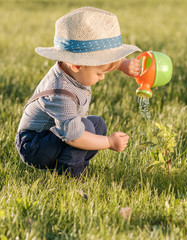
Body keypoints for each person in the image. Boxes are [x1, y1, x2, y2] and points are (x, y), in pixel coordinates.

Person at [15, 7, 141, 177]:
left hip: (53, 135)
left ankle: (77, 163)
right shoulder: (59, 92)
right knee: (85, 127)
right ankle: (69, 173)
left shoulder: (74, 69)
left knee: (98, 125)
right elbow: (74, 137)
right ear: (77, 65)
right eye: (100, 73)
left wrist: (122, 65)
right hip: (35, 146)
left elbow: (100, 60)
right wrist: (109, 142)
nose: (102, 77)